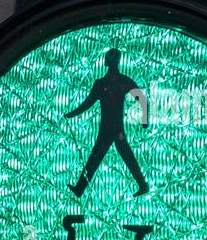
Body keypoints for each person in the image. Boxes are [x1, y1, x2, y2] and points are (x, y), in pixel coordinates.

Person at [64, 47, 149, 197]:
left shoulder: (102, 83)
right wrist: (144, 120)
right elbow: (142, 99)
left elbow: (87, 104)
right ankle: (142, 185)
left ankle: (80, 188)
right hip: (114, 129)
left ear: (108, 61)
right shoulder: (123, 81)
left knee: (99, 157)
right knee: (118, 156)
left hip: (109, 130)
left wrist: (71, 114)